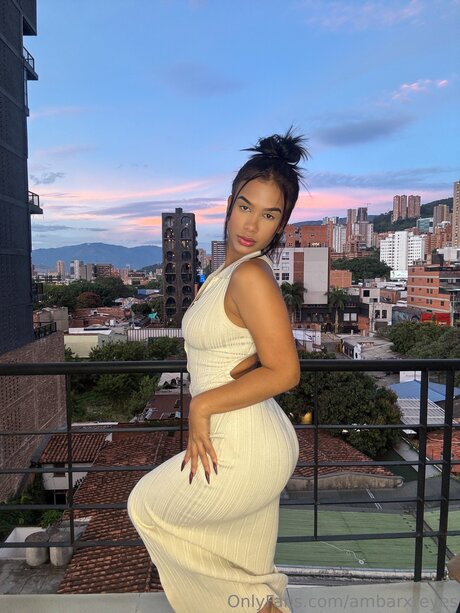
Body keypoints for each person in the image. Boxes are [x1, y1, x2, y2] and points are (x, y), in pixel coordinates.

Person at [127, 128, 309, 612]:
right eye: (246, 206)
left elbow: (286, 372)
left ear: (281, 224)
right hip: (253, 435)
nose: (252, 223)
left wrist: (202, 406)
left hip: (243, 444)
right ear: (229, 205)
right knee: (246, 574)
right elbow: (252, 348)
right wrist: (250, 362)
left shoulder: (250, 274)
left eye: (269, 214)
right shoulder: (225, 274)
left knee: (146, 507)